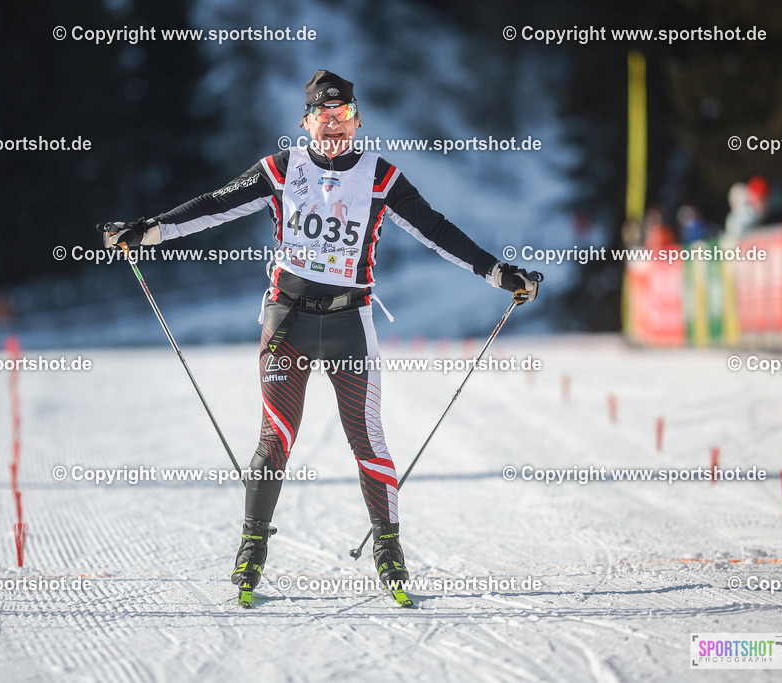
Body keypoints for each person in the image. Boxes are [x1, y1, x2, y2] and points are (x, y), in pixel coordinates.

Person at [100, 70, 541, 597]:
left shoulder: (380, 176)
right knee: (275, 439)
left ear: (358, 121)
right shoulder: (282, 170)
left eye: (344, 116)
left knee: (367, 438)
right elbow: (215, 205)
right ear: (305, 122)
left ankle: (389, 549)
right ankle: (252, 547)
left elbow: (435, 228)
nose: (334, 126)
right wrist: (149, 230)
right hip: (286, 321)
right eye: (324, 117)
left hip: (350, 323)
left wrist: (496, 272)